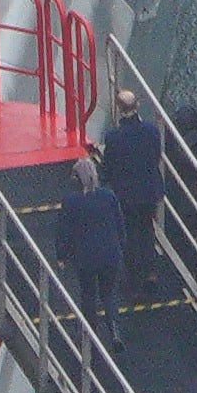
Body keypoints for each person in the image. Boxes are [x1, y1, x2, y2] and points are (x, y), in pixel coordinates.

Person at [56, 172, 129, 325]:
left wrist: (62, 256)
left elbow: (64, 231)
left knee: (88, 294)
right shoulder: (108, 195)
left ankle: (91, 331)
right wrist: (121, 247)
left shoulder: (71, 201)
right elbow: (119, 224)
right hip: (110, 254)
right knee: (108, 294)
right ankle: (114, 329)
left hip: (85, 258)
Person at [97, 86, 167, 247]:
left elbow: (108, 167)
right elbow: (155, 157)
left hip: (125, 193)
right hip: (150, 190)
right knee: (147, 228)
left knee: (128, 230)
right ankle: (148, 264)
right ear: (137, 105)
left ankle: (133, 265)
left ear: (119, 108)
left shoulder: (113, 137)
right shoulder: (152, 131)